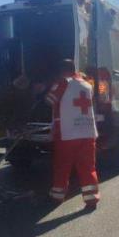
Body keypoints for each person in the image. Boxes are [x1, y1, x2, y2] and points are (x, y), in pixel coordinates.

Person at [45, 59, 100, 210]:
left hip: (68, 133)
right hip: (88, 132)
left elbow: (50, 100)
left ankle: (57, 196)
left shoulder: (63, 82)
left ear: (63, 70)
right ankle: (91, 199)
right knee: (88, 167)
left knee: (63, 165)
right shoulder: (88, 84)